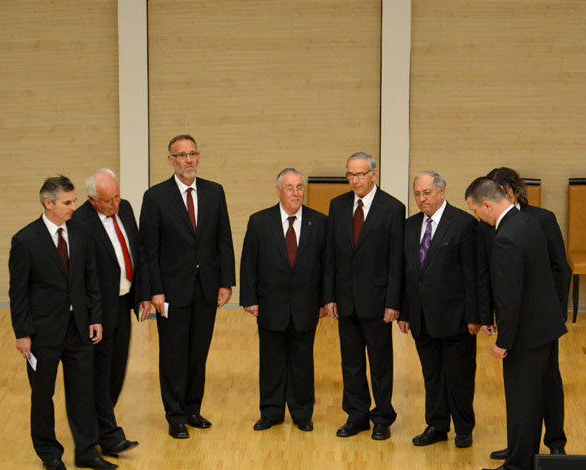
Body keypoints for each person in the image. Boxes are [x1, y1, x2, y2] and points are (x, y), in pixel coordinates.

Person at [465, 177, 567, 470]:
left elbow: (510, 295)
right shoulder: (528, 221)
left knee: (523, 405)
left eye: (475, 211)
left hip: (525, 336)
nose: (476, 218)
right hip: (545, 328)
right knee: (534, 401)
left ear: (487, 204)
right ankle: (519, 461)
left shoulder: (506, 237)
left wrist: (503, 340)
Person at [8, 176, 117, 470]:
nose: (74, 207)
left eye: (74, 200)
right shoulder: (25, 240)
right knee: (43, 395)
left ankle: (86, 451)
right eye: (67, 202)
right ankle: (49, 452)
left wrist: (95, 318)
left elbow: (91, 278)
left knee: (83, 393)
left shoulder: (81, 232)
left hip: (79, 328)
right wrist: (23, 334)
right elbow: (18, 293)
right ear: (48, 203)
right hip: (43, 333)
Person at [140, 134, 235, 439]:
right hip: (171, 290)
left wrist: (226, 281)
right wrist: (154, 290)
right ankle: (175, 415)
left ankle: (193, 408)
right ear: (171, 160)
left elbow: (223, 239)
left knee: (198, 352)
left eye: (193, 153)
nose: (189, 160)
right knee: (173, 355)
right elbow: (148, 250)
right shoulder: (155, 197)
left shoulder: (214, 192)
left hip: (206, 288)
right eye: (182, 155)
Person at [240, 168, 328, 432]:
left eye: (300, 187)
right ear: (278, 190)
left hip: (306, 306)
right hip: (270, 305)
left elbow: (327, 266)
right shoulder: (259, 221)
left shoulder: (320, 222)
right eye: (289, 188)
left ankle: (302, 413)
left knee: (303, 362)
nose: (296, 193)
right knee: (271, 362)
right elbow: (248, 263)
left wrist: (325, 300)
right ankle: (271, 412)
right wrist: (249, 298)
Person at [324, 152, 404, 440]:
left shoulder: (393, 208)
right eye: (350, 174)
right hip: (345, 299)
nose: (354, 180)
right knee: (351, 362)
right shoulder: (338, 205)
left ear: (374, 174)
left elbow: (397, 260)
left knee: (381, 363)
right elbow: (331, 254)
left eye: (360, 174)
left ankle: (382, 417)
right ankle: (356, 415)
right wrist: (329, 295)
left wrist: (394, 302)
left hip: (378, 301)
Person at [72, 168, 151, 458]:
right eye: (108, 200)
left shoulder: (126, 208)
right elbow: (80, 275)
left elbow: (137, 252)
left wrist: (142, 294)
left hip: (123, 302)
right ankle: (108, 434)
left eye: (117, 196)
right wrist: (90, 315)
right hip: (98, 309)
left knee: (117, 368)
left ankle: (98, 428)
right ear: (93, 200)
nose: (115, 203)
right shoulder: (80, 222)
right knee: (100, 373)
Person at [397, 171, 480, 448]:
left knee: (459, 376)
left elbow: (473, 275)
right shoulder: (409, 226)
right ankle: (437, 425)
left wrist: (474, 316)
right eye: (417, 194)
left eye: (427, 193)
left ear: (442, 191)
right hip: (422, 318)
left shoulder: (464, 224)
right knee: (431, 376)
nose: (422, 199)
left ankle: (464, 428)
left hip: (456, 318)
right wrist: (405, 312)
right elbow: (409, 274)